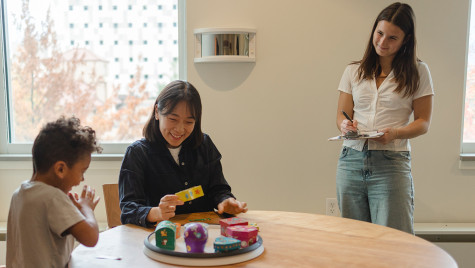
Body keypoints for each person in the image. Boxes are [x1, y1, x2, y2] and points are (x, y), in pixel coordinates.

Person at [335, 2, 433, 234]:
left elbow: (423, 122)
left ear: (406, 40)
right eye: (379, 33)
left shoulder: (419, 71)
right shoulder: (353, 71)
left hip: (391, 163)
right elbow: (341, 114)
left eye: (392, 38)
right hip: (351, 160)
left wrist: (395, 133)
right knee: (354, 239)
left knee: (394, 242)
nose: (382, 42)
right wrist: (345, 124)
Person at [119, 80, 248, 227]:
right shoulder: (137, 153)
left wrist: (225, 201)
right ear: (157, 112)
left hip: (203, 235)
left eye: (188, 122)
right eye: (173, 119)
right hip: (159, 238)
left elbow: (218, 189)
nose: (180, 129)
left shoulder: (204, 145)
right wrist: (157, 213)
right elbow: (128, 210)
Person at [6, 116, 102, 267]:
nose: (82, 179)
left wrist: (74, 212)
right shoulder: (53, 198)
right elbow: (91, 238)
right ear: (61, 169)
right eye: (82, 171)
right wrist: (86, 208)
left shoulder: (19, 194)